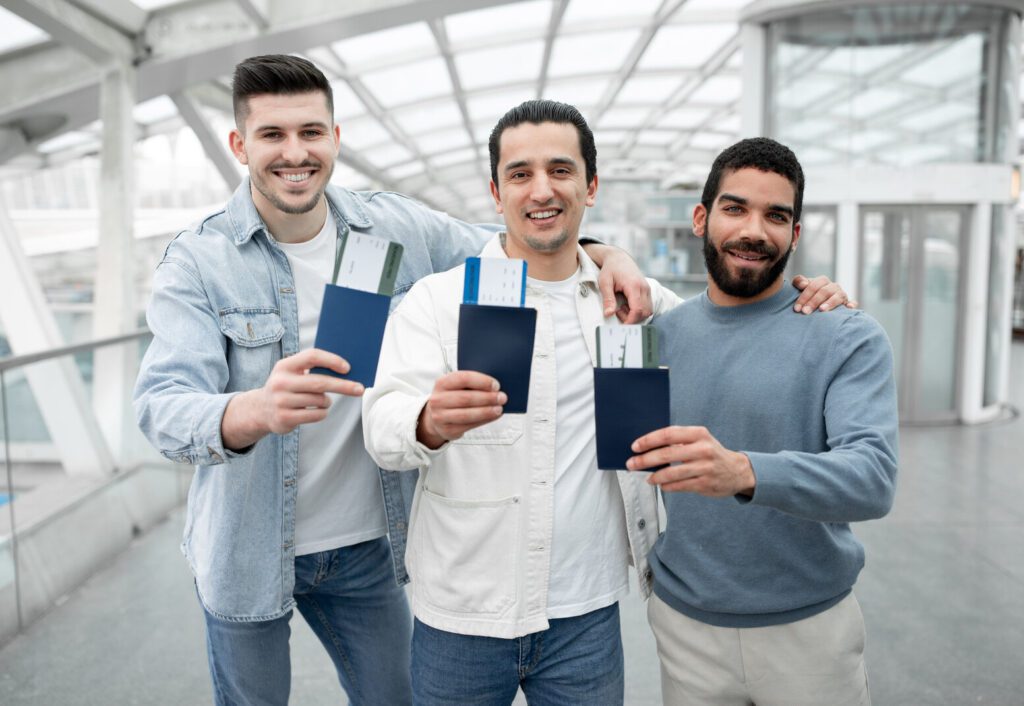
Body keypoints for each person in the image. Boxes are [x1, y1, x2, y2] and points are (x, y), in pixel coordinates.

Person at [132, 55, 659, 706]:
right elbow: (161, 407)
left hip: (367, 545)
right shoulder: (200, 261)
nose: (294, 152)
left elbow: (526, 239)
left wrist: (611, 255)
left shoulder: (393, 230)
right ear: (240, 145)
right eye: (272, 135)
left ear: (335, 137)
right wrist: (254, 409)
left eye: (311, 132)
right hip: (249, 542)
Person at [361, 103, 850, 705]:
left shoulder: (638, 307)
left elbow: (733, 314)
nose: (542, 190)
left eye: (561, 170)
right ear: (495, 192)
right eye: (520, 174)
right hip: (462, 616)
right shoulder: (438, 303)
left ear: (591, 186)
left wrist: (813, 293)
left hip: (586, 616)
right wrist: (427, 421)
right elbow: (381, 427)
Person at [627, 137, 898, 706]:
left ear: (795, 234)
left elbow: (872, 479)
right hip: (686, 629)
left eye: (776, 216)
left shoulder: (843, 334)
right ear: (702, 218)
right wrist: (609, 255)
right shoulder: (655, 339)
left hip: (810, 633)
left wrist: (745, 472)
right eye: (735, 208)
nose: (754, 230)